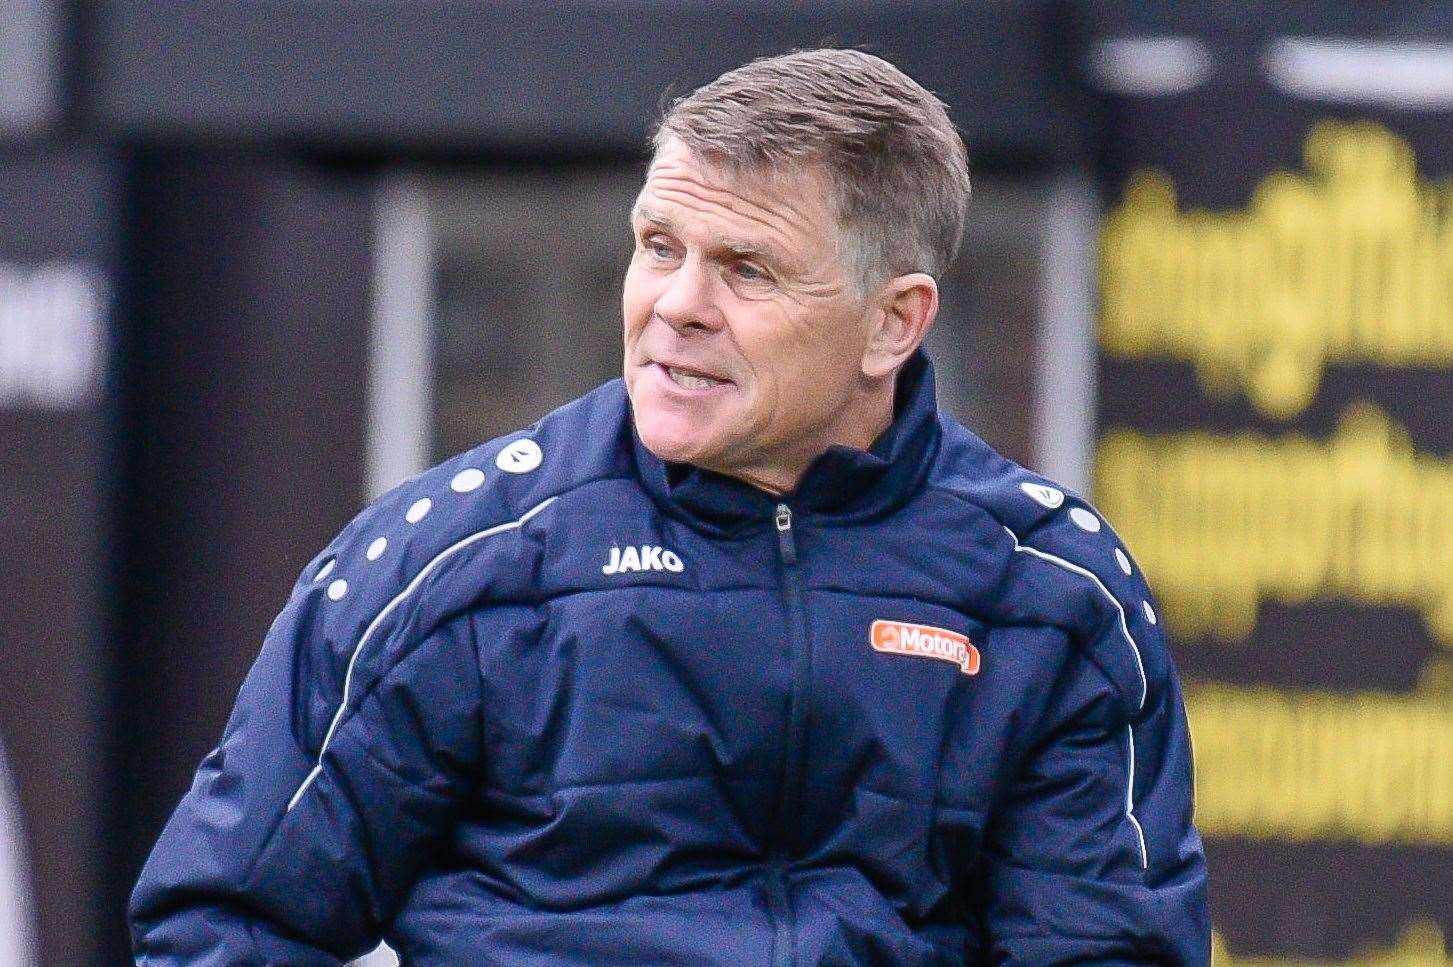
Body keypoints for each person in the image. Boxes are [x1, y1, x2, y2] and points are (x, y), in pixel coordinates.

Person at [130, 48, 1208, 965]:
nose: (676, 307)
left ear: (894, 324)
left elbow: (1105, 945)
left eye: (746, 269)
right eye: (658, 248)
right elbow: (225, 919)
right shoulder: (456, 563)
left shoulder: (1049, 593)